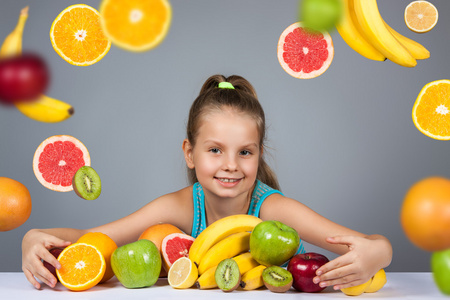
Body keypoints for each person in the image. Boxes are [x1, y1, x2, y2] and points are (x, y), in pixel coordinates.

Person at [22, 74, 392, 291]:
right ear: (189, 153)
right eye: (215, 150)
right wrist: (33, 237)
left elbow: (374, 244)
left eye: (245, 152)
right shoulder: (179, 206)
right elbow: (94, 239)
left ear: (259, 154)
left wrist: (375, 254)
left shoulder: (274, 209)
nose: (230, 165)